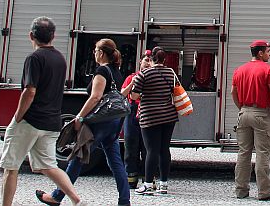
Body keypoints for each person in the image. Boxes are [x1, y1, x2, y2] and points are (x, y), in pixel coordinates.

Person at [0, 17, 87, 206]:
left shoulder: (34, 58)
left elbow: (30, 90)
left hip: (30, 120)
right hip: (52, 122)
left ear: (31, 35)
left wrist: (17, 116)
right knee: (48, 166)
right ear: (53, 36)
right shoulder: (60, 59)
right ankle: (76, 200)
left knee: (11, 167)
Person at [36, 39, 130, 206]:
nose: (94, 53)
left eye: (95, 50)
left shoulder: (102, 70)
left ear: (101, 53)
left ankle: (57, 196)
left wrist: (79, 117)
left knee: (78, 158)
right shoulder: (117, 71)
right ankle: (124, 201)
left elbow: (95, 97)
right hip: (114, 123)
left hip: (100, 123)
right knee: (116, 163)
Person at [231, 40, 270, 201]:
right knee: (262, 154)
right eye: (268, 51)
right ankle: (265, 192)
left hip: (244, 112)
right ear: (260, 53)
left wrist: (242, 107)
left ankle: (241, 190)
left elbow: (234, 92)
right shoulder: (268, 69)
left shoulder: (239, 70)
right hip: (261, 114)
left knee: (243, 153)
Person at [130, 46, 179, 196]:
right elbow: (176, 89)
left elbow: (134, 95)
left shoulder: (144, 73)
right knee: (164, 149)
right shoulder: (171, 73)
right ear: (164, 59)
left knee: (151, 150)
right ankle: (163, 184)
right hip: (169, 116)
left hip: (150, 116)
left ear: (151, 59)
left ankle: (148, 184)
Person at [121, 50, 152, 189]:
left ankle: (148, 179)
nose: (147, 63)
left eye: (150, 60)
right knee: (130, 146)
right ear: (140, 62)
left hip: (148, 113)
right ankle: (130, 179)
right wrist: (131, 83)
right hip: (132, 113)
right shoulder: (131, 77)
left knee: (148, 148)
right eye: (146, 60)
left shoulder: (153, 79)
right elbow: (122, 94)